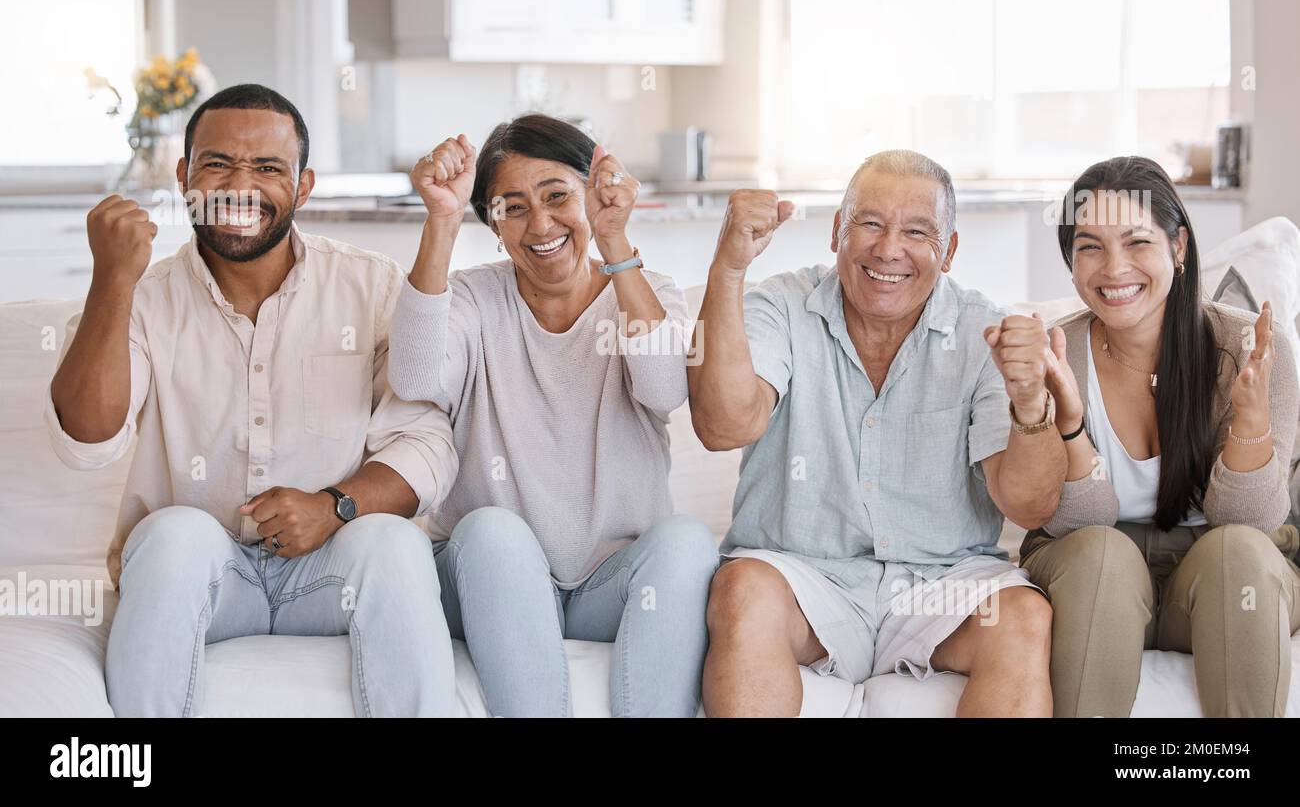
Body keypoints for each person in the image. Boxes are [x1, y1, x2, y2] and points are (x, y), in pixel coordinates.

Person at [47, 83, 459, 717]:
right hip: (201, 579)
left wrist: (333, 506)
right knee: (174, 535)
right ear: (184, 176)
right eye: (217, 164)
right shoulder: (142, 297)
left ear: (303, 186)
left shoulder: (369, 286)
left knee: (396, 545)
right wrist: (112, 279)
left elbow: (427, 444)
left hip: (330, 574)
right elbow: (87, 440)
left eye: (268, 168)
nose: (241, 186)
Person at [692, 149, 1059, 717]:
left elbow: (1030, 506)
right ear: (837, 230)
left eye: (917, 231)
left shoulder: (981, 329)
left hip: (943, 584)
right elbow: (723, 427)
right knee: (742, 592)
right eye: (869, 223)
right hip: (804, 577)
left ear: (950, 250)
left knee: (1023, 616)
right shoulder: (781, 306)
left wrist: (1032, 403)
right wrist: (729, 268)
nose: (889, 249)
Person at [387, 114, 717, 717]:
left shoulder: (648, 293)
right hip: (488, 582)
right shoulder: (469, 298)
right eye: (511, 208)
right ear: (490, 222)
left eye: (558, 197)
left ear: (593, 194)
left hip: (607, 588)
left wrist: (616, 242)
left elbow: (667, 390)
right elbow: (413, 376)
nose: (540, 225)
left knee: (689, 541)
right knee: (492, 532)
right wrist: (440, 221)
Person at [1020, 155, 1300, 717]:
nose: (1114, 268)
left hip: (1219, 578)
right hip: (1097, 580)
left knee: (1240, 550)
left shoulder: (1245, 347)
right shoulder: (1057, 355)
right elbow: (1076, 524)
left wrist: (1248, 422)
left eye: (1137, 242)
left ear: (1179, 246)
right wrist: (1071, 423)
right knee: (1102, 554)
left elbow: (1253, 523)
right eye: (1090, 246)